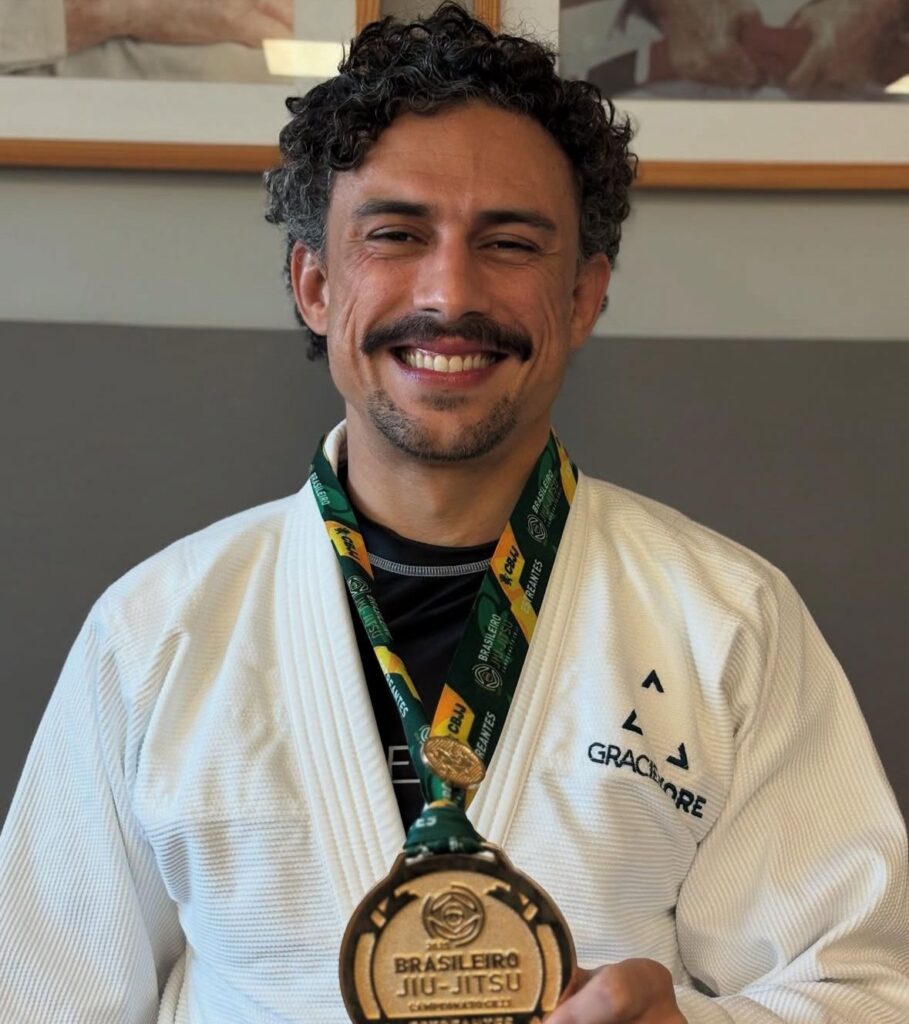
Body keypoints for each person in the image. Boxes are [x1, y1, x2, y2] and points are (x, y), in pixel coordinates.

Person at [1, 4, 907, 1022]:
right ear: (314, 284)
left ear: (582, 298)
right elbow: (41, 996)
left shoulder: (727, 621)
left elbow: (865, 988)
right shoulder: (156, 631)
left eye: (509, 242)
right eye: (395, 235)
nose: (449, 293)